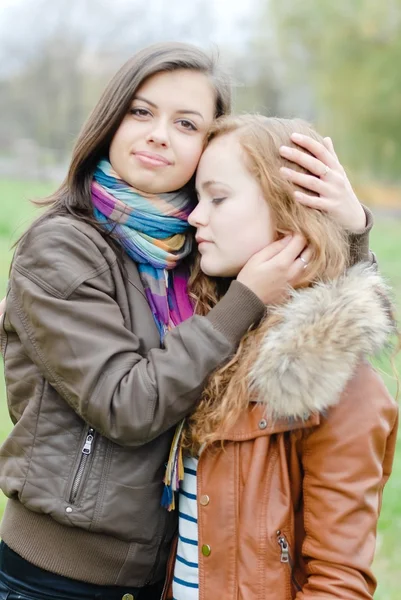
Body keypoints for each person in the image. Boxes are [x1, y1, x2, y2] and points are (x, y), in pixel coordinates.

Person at [0, 41, 375, 599]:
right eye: (141, 111)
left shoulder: (199, 252)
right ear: (111, 118)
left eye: (186, 122)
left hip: (161, 572)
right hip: (57, 575)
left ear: (207, 144)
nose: (158, 133)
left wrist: (350, 224)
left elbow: (324, 320)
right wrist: (244, 298)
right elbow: (125, 403)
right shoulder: (61, 249)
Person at [165, 115, 399, 600]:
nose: (194, 217)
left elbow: (338, 583)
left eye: (219, 198)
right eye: (196, 198)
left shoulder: (335, 381)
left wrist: (351, 226)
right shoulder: (202, 330)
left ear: (288, 210)